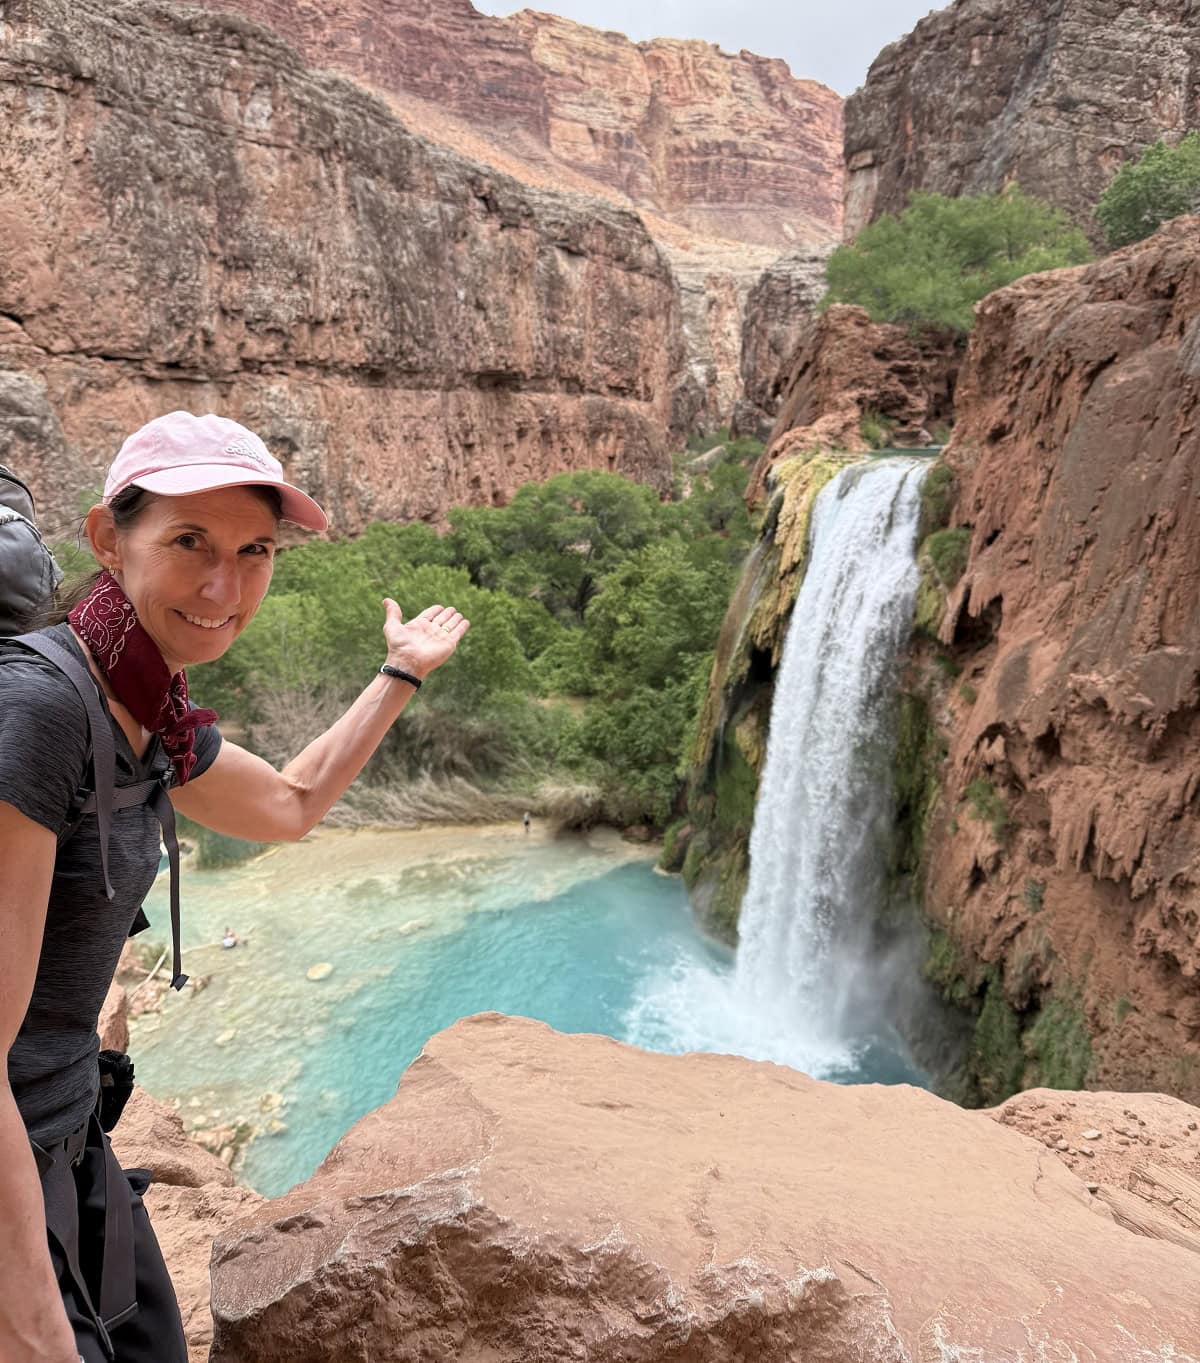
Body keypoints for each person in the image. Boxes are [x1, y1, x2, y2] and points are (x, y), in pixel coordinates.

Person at [0, 411, 469, 1363]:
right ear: (105, 538)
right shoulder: (44, 708)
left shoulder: (151, 712)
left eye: (254, 550)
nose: (226, 586)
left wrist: (399, 672)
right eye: (189, 543)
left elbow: (290, 805)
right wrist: (34, 1328)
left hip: (67, 1139)